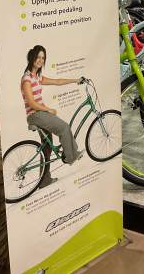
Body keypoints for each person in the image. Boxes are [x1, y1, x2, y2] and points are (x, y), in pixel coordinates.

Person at [21, 45, 83, 189]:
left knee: (47, 148)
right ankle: (71, 157)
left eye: (43, 58)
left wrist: (75, 80)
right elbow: (31, 103)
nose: (40, 60)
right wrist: (48, 109)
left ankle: (44, 180)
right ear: (32, 57)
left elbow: (57, 81)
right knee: (64, 128)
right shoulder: (27, 79)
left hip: (40, 114)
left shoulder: (37, 77)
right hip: (35, 115)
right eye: (38, 57)